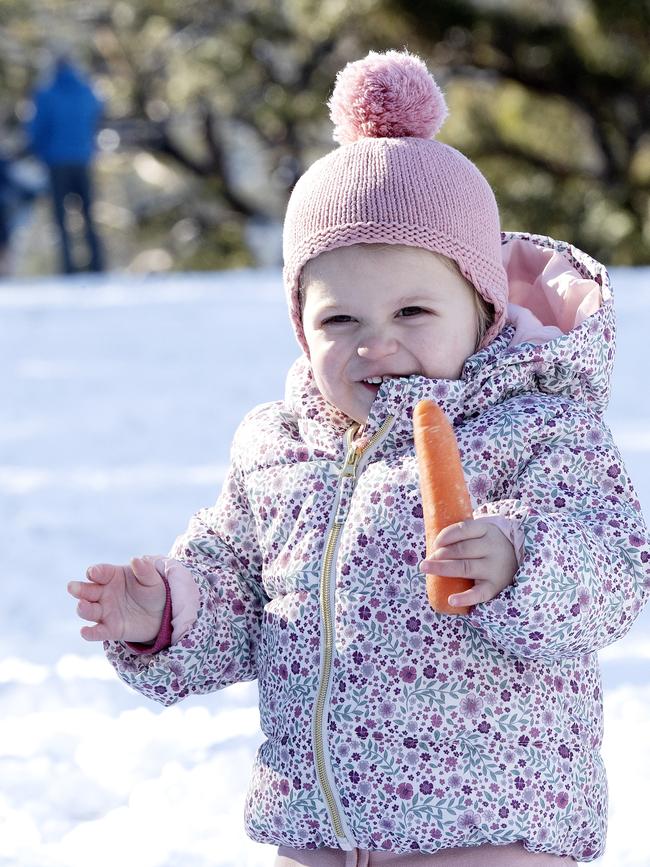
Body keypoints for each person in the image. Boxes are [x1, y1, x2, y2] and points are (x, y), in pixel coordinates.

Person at [67, 50, 650, 864]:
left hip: (487, 826)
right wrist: (168, 613)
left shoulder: (536, 427)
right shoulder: (278, 449)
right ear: (302, 328)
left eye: (413, 309)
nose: (378, 343)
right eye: (340, 320)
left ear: (481, 313)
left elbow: (615, 572)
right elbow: (239, 594)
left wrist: (521, 557)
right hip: (318, 830)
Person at [27, 56, 104, 274]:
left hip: (56, 161)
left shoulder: (45, 94)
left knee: (61, 219)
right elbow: (96, 116)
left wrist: (39, 151)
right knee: (89, 215)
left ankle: (68, 267)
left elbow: (36, 128)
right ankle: (97, 265)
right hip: (83, 159)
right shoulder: (87, 91)